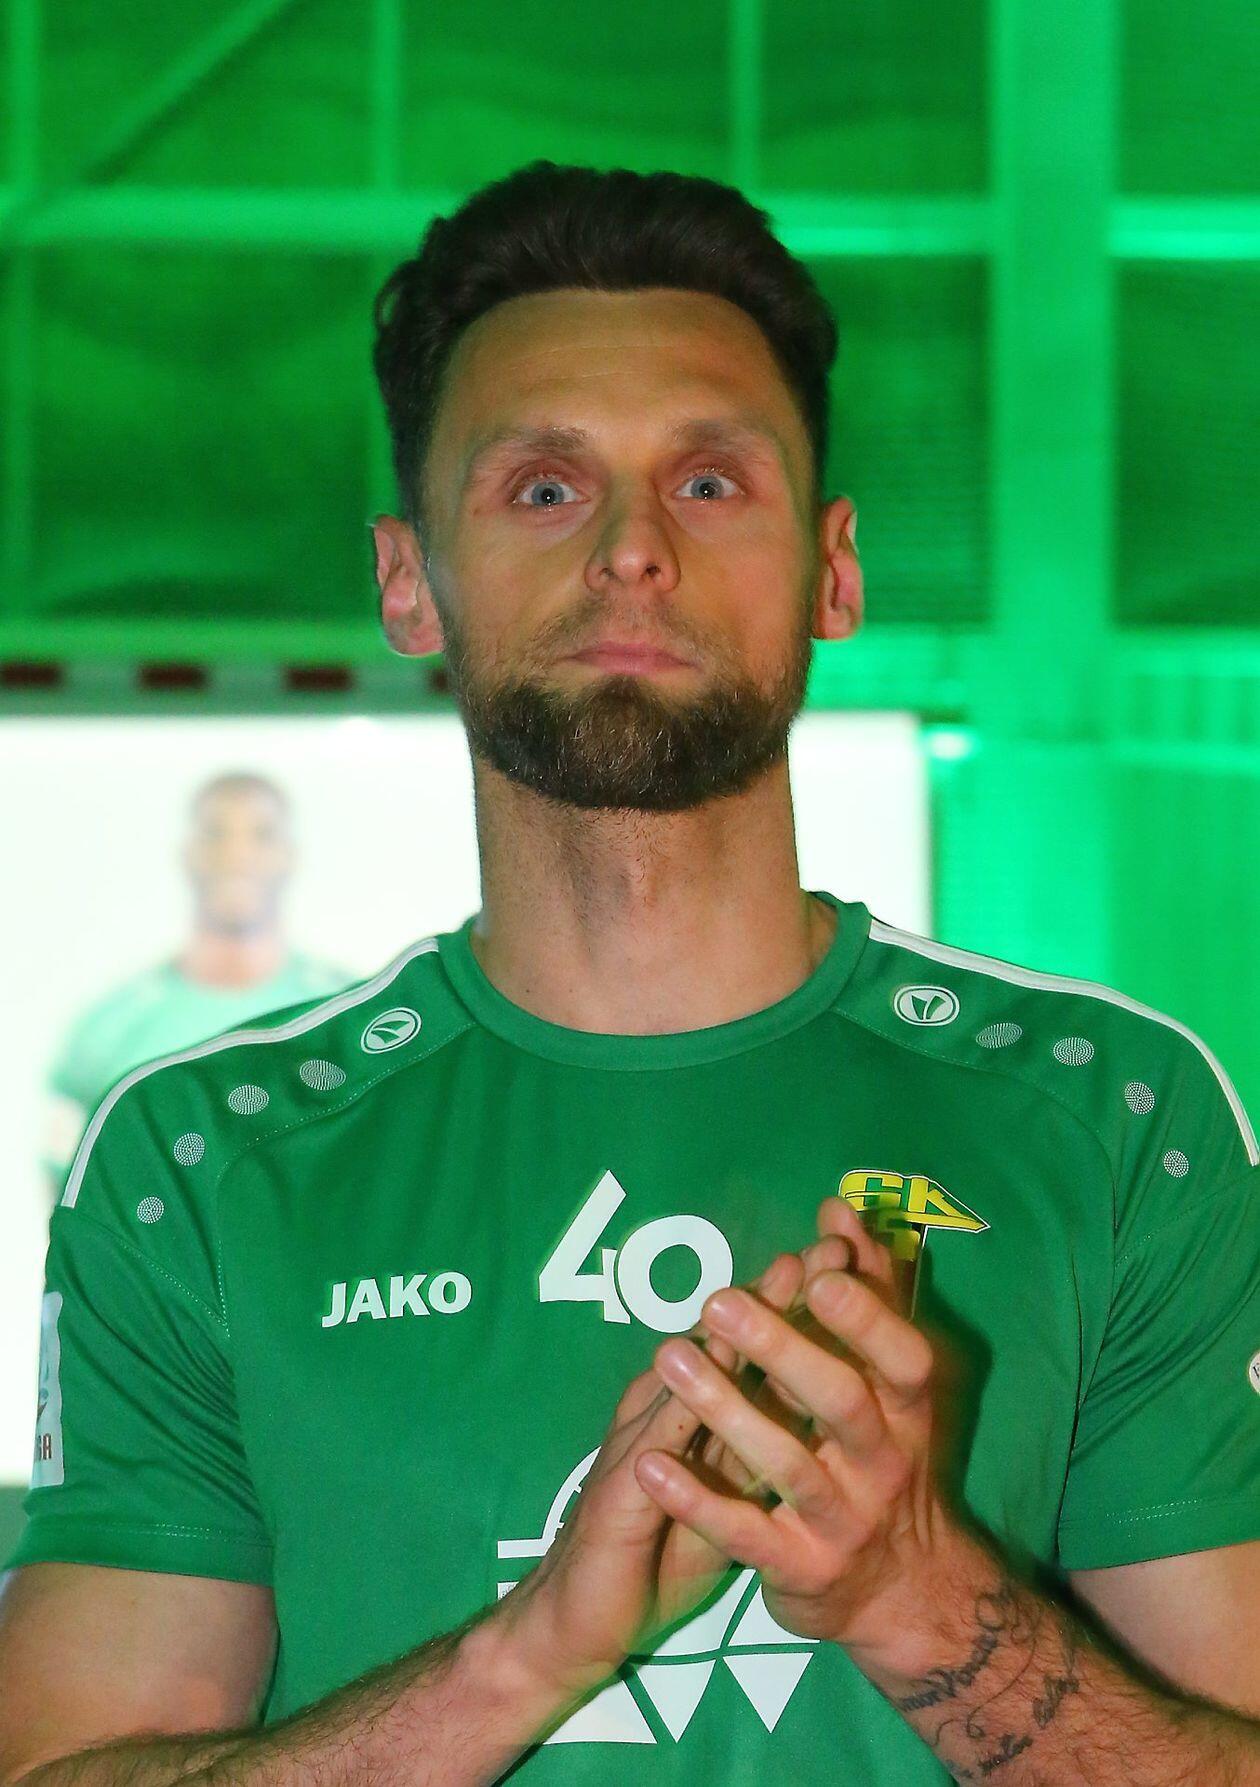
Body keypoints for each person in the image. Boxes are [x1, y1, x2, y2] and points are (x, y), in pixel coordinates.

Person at [1, 160, 1257, 1786]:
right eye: (544, 486)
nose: (634, 549)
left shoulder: (1116, 1116)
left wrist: (914, 1598)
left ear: (835, 567)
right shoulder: (203, 1160)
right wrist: (534, 1651)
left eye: (710, 480)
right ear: (407, 578)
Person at [40, 772, 353, 1205]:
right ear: (189, 854)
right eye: (216, 833)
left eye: (261, 835)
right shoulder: (109, 1027)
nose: (237, 855)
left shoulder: (348, 1013)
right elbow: (64, 1191)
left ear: (289, 855)